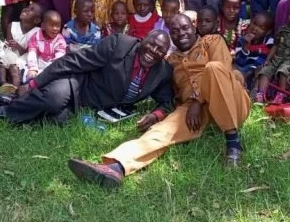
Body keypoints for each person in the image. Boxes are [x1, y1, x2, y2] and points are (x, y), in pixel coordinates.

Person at [67, 14, 251, 188]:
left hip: (232, 102)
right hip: (197, 111)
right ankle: (116, 167)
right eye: (175, 31)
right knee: (162, 131)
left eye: (185, 28)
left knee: (213, 68)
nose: (181, 33)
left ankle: (233, 144)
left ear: (194, 27)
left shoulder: (212, 41)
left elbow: (224, 71)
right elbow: (170, 97)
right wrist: (159, 115)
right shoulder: (170, 61)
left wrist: (197, 101)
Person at [0, 30, 174, 127]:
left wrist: (155, 115)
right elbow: (75, 61)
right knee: (53, 99)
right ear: (142, 40)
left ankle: (9, 99)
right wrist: (33, 83)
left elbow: (168, 102)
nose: (153, 51)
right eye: (151, 44)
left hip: (90, 107)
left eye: (160, 50)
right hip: (78, 84)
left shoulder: (162, 71)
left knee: (58, 119)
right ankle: (3, 113)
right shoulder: (119, 44)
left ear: (165, 54)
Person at [233, 11, 273, 92]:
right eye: (254, 24)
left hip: (255, 70)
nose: (255, 29)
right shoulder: (242, 39)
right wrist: (245, 48)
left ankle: (253, 93)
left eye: (261, 28)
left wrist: (250, 71)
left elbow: (262, 60)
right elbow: (239, 62)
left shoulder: (268, 41)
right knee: (235, 71)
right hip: (242, 69)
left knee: (260, 72)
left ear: (268, 32)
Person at [25, 10, 68, 81]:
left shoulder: (60, 40)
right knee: (25, 69)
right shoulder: (36, 37)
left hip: (52, 65)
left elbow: (59, 58)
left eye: (58, 26)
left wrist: (52, 70)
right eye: (52, 25)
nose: (55, 29)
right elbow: (32, 53)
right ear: (43, 26)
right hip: (38, 62)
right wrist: (33, 68)